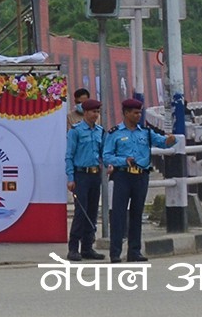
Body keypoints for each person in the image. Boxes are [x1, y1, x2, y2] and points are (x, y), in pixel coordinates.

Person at [103, 97, 176, 263]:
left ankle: (134, 251)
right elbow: (106, 156)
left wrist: (170, 140)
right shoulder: (115, 133)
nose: (138, 115)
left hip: (141, 177)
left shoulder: (146, 133)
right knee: (119, 215)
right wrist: (122, 160)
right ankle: (115, 253)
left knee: (137, 214)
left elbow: (163, 142)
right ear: (126, 113)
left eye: (139, 112)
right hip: (122, 176)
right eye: (135, 113)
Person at [64, 98, 105, 261]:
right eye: (93, 112)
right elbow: (69, 156)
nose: (96, 115)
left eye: (97, 112)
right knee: (81, 212)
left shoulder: (100, 131)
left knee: (92, 211)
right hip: (81, 175)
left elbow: (103, 153)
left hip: (95, 175)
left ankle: (88, 247)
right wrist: (70, 177)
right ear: (86, 113)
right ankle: (73, 248)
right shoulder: (75, 131)